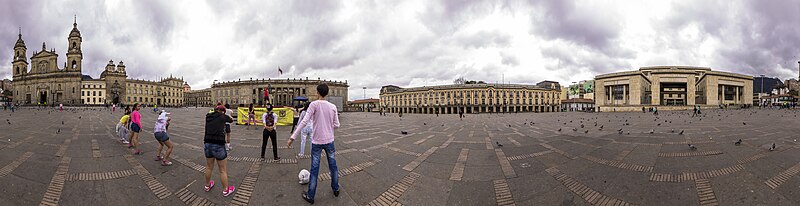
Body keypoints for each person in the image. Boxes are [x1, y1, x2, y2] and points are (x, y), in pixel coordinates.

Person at [287, 84, 341, 204]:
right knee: (333, 166)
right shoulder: (332, 106)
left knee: (314, 169)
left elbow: (304, 121)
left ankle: (311, 196)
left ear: (317, 92)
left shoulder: (314, 104)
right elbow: (337, 125)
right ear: (327, 93)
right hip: (330, 141)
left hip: (317, 142)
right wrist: (328, 126)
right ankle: (336, 189)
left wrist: (293, 137)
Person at [204, 104, 236, 196]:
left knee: (209, 167)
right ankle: (226, 190)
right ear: (222, 111)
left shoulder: (208, 116)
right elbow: (231, 120)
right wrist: (226, 114)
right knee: (222, 170)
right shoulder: (223, 116)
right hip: (218, 145)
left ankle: (207, 185)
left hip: (207, 143)